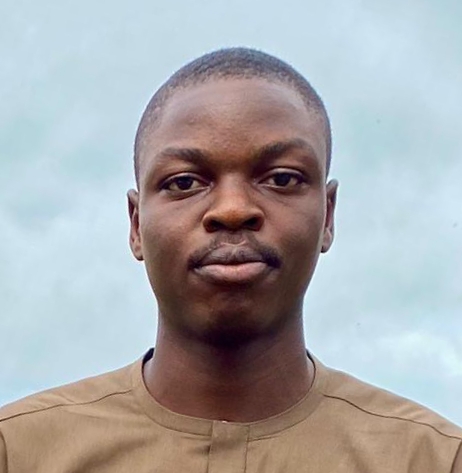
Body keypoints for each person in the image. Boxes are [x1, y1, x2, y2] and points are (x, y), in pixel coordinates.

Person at [0, 47, 460, 473]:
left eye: (282, 178)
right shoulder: (19, 451)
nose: (233, 209)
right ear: (136, 225)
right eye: (184, 183)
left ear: (328, 215)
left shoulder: (431, 459)